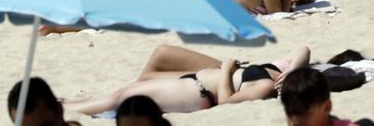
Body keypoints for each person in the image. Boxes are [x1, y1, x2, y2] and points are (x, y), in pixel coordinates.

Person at [59, 48, 313, 118]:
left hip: (198, 91)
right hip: (199, 77)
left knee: (122, 96)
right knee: (159, 56)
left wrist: (226, 69)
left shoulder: (266, 87)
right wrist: (293, 72)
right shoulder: (280, 73)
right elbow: (303, 50)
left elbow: (226, 102)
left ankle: (65, 108)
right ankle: (75, 104)